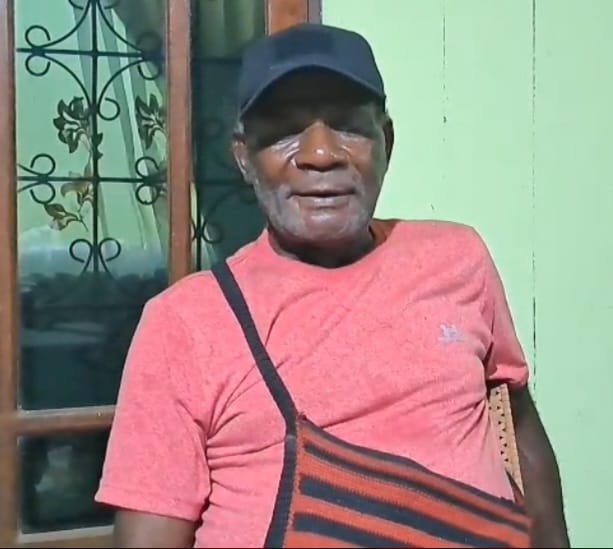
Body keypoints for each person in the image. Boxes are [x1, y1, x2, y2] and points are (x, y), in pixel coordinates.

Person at [95, 23, 569, 548]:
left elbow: (514, 419)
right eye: (285, 130)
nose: (321, 154)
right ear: (244, 159)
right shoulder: (184, 322)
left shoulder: (458, 257)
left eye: (347, 126)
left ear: (386, 143)